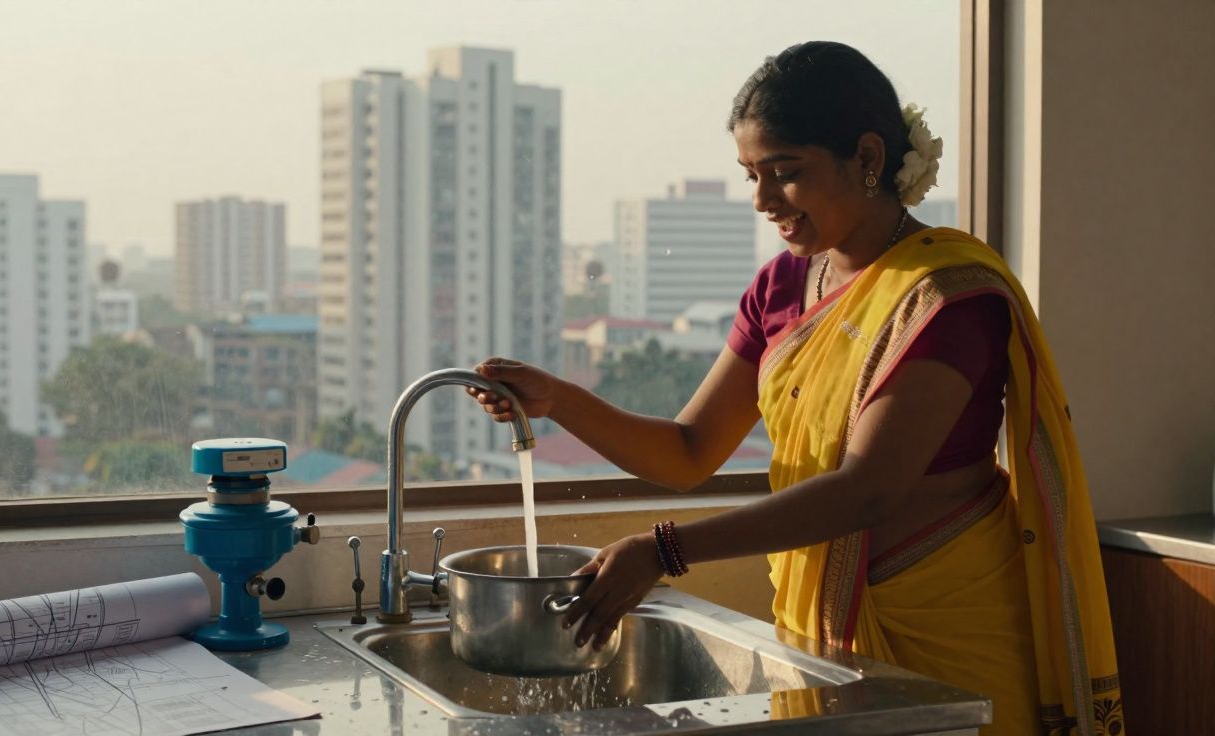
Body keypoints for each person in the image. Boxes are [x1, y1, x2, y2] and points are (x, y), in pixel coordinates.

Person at [468, 41, 1122, 736]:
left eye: (785, 172)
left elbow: (867, 489)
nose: (761, 200)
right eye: (751, 174)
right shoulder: (781, 288)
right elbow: (688, 452)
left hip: (951, 633)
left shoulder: (945, 299)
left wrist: (662, 552)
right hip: (824, 646)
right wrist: (559, 401)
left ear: (868, 159)